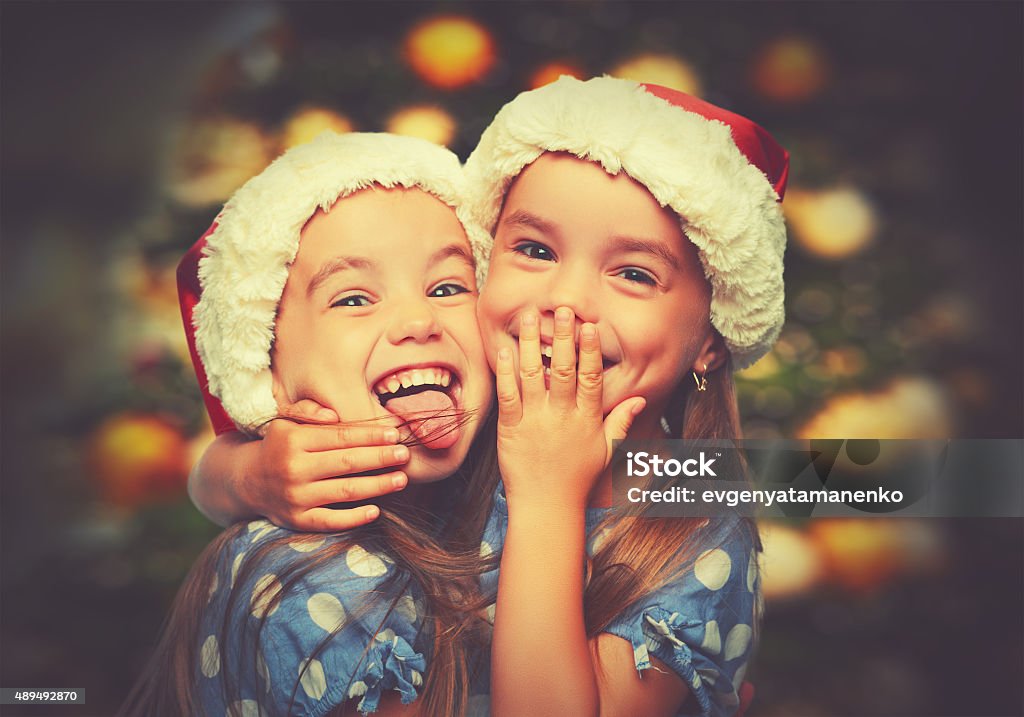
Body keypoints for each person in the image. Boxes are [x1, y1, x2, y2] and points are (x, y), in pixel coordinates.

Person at [176, 75, 789, 716]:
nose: (565, 300)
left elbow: (863, 476)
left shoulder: (692, 495)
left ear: (713, 338)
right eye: (534, 249)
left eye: (634, 273)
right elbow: (211, 483)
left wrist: (549, 492)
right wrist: (250, 473)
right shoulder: (465, 416)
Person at [119, 131, 498, 716]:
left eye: (448, 287)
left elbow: (683, 482)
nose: (419, 320)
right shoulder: (321, 583)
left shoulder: (520, 454)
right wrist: (243, 472)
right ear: (263, 367)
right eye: (353, 299)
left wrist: (233, 475)